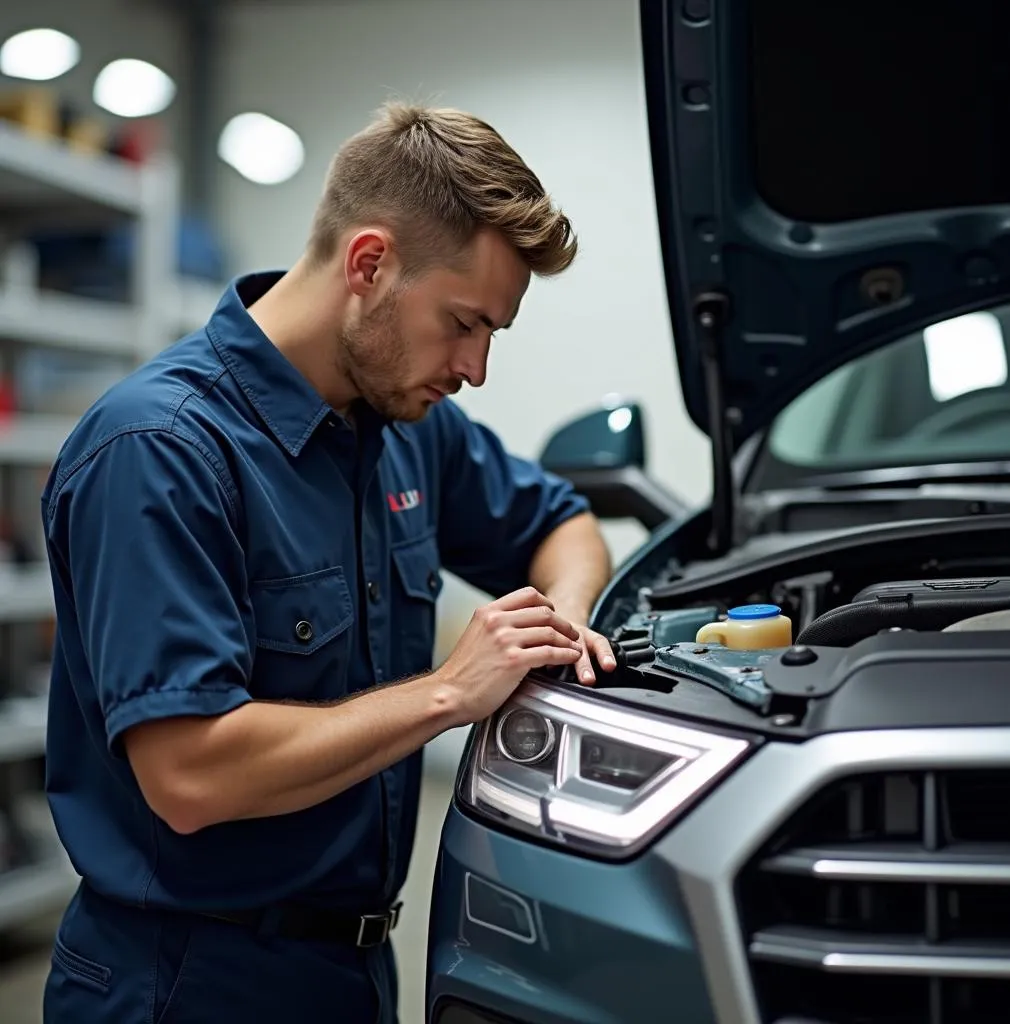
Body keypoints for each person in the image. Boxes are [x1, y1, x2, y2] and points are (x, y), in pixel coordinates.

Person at [39, 102, 614, 1023]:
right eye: (464, 323)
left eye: (492, 335)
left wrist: (564, 623)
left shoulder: (403, 429)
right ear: (370, 264)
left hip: (355, 971)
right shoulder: (161, 450)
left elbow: (566, 524)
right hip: (188, 983)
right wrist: (449, 693)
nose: (475, 368)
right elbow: (191, 776)